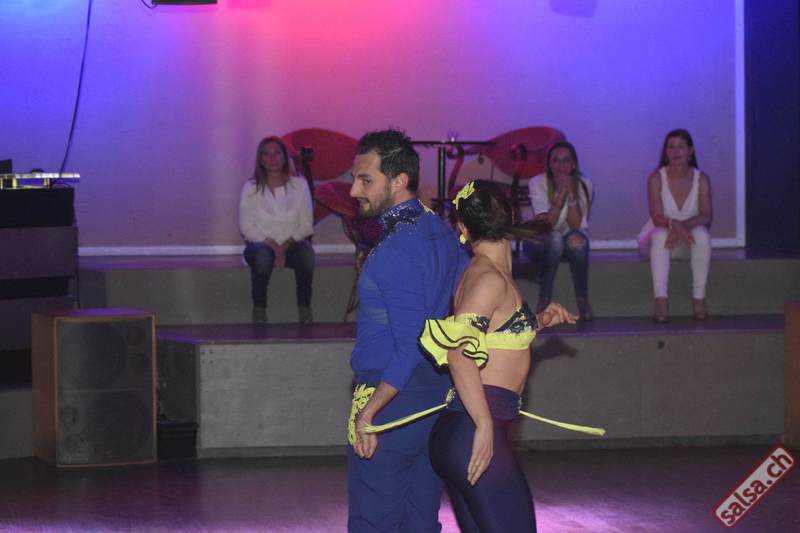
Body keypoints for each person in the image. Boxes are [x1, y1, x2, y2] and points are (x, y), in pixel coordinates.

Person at [347, 129, 469, 532]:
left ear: (399, 180)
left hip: (392, 400)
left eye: (366, 180)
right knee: (421, 520)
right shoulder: (443, 233)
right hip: (437, 397)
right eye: (354, 178)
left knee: (373, 521)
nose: (353, 190)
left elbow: (409, 344)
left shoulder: (395, 250)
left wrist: (370, 411)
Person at [637, 129, 713, 322]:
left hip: (686, 239)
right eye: (670, 147)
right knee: (660, 234)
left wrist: (680, 226)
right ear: (665, 152)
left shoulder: (701, 179)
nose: (675, 151)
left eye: (680, 146)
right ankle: (661, 300)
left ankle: (699, 298)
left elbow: (706, 216)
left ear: (690, 151)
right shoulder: (655, 178)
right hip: (657, 240)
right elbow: (656, 217)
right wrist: (672, 224)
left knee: (702, 235)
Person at [238, 136, 315, 325]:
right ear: (261, 159)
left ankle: (305, 310)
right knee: (263, 256)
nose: (272, 158)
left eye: (277, 153)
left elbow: (306, 225)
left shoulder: (299, 185)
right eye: (267, 154)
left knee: (306, 254)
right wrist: (273, 246)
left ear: (284, 157)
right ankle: (259, 310)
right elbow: (246, 227)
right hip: (261, 246)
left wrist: (285, 246)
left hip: (292, 245)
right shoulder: (250, 188)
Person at [522, 142, 594, 321]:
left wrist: (571, 195)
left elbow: (575, 225)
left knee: (577, 241)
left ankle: (582, 299)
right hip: (539, 241)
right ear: (549, 164)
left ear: (574, 164)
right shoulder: (537, 182)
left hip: (568, 241)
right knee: (554, 238)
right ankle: (544, 300)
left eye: (566, 160)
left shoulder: (585, 184)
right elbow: (546, 225)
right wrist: (559, 197)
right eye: (555, 160)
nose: (560, 166)